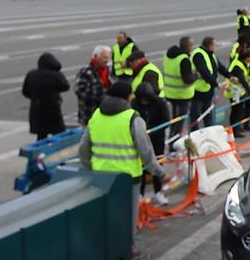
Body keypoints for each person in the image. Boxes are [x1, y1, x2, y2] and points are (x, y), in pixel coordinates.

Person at [79, 81, 166, 253]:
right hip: (128, 178)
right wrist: (160, 172)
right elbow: (146, 152)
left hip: (101, 175)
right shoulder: (133, 118)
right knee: (128, 216)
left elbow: (83, 148)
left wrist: (87, 169)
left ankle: (105, 246)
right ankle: (129, 248)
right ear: (128, 96)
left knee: (106, 213)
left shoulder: (96, 115)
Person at [128, 50, 171, 207]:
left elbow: (166, 120)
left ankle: (158, 192)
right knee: (142, 166)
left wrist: (153, 130)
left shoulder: (160, 104)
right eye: (142, 101)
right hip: (141, 138)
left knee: (158, 163)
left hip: (156, 137)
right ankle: (140, 194)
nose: (144, 103)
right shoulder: (135, 104)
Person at [21, 52, 69, 141]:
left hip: (37, 110)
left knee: (41, 136)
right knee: (60, 135)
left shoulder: (31, 74)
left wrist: (35, 98)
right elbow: (65, 86)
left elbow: (25, 92)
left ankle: (41, 154)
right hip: (52, 110)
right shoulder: (55, 75)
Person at [162, 36, 198, 131]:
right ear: (188, 46)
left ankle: (172, 139)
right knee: (180, 122)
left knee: (174, 119)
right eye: (191, 45)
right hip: (182, 95)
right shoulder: (184, 59)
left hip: (170, 93)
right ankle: (175, 141)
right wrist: (196, 75)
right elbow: (187, 79)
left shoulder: (168, 56)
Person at [75, 45, 112, 126]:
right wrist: (102, 96)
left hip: (104, 114)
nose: (107, 61)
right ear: (96, 57)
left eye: (108, 58)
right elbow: (80, 91)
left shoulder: (107, 70)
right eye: (104, 58)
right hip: (89, 115)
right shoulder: (86, 72)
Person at [190, 37, 220, 129]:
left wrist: (229, 75)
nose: (215, 47)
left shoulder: (211, 54)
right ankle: (194, 136)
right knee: (195, 116)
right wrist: (216, 84)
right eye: (214, 45)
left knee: (208, 115)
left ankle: (208, 133)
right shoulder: (198, 55)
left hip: (207, 90)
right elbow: (204, 72)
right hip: (197, 91)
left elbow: (219, 66)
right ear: (210, 45)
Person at [226, 43, 250, 136]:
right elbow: (243, 80)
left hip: (238, 91)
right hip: (234, 92)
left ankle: (237, 128)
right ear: (245, 58)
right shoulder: (238, 66)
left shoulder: (241, 63)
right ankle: (235, 130)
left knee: (238, 110)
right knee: (237, 111)